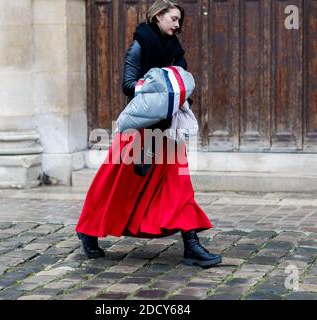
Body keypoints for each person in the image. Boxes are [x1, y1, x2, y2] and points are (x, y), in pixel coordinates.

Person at [75, 0, 222, 268]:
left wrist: (180, 93)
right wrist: (161, 84)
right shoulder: (140, 44)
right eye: (173, 19)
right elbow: (128, 85)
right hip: (140, 129)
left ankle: (191, 245)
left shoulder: (176, 49)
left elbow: (183, 82)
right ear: (157, 16)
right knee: (115, 184)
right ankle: (87, 230)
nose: (177, 24)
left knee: (181, 187)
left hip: (169, 130)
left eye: (179, 20)